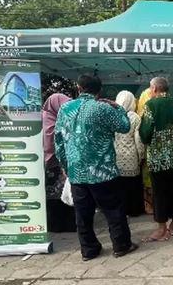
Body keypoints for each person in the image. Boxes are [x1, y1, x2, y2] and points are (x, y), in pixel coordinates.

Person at [55, 75, 137, 261]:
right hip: (103, 171)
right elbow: (124, 126)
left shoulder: (65, 109)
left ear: (78, 87)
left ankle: (89, 250)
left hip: (77, 171)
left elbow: (58, 140)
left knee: (82, 214)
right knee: (114, 210)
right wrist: (118, 107)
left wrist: (65, 165)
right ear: (99, 90)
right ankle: (121, 245)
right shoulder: (102, 108)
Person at [139, 77, 173, 241]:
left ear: (154, 88)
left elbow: (145, 133)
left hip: (157, 158)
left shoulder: (151, 105)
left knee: (159, 192)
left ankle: (162, 229)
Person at [42, 93, 76, 233]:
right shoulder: (46, 118)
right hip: (52, 164)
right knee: (54, 195)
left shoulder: (61, 118)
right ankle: (59, 225)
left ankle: (66, 224)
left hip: (57, 163)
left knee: (63, 193)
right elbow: (49, 143)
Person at [114, 90, 145, 217]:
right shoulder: (135, 117)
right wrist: (141, 155)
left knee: (119, 186)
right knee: (132, 185)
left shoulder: (114, 116)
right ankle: (134, 210)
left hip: (116, 156)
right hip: (131, 157)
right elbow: (138, 140)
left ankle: (121, 210)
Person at [136, 87, 154, 214]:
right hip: (156, 151)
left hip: (146, 149)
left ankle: (148, 206)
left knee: (147, 178)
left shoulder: (139, 117)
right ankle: (154, 206)